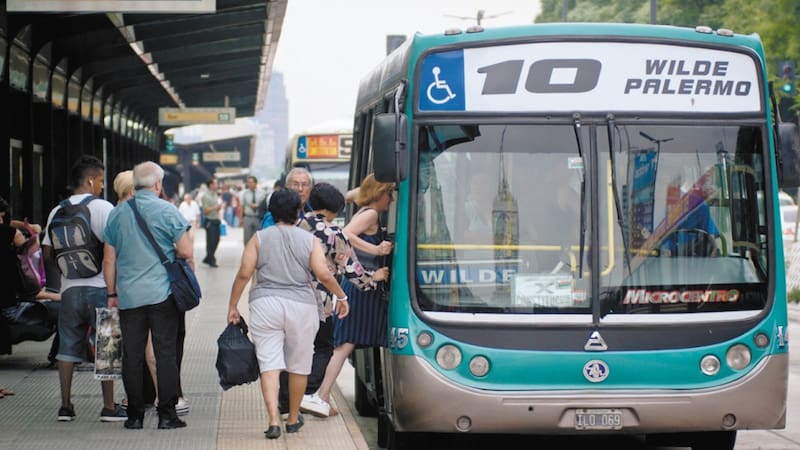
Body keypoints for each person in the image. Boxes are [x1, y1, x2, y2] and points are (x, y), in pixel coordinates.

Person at [226, 189, 350, 439]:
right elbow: (324, 274)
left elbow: (244, 273)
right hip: (302, 306)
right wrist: (341, 296)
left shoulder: (259, 238)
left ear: (271, 212)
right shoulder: (309, 240)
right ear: (298, 212)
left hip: (265, 304)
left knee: (270, 363)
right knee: (298, 365)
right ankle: (292, 419)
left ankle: (273, 420)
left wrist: (233, 305)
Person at [103, 161, 192, 430]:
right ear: (157, 184)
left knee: (132, 355)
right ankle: (167, 416)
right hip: (162, 293)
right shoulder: (167, 210)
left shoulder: (117, 214)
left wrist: (112, 293)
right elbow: (186, 251)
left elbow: (109, 260)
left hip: (129, 296)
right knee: (165, 354)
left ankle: (134, 416)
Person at [40, 155, 126, 423]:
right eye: (100, 180)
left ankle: (65, 406)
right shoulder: (103, 207)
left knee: (67, 346)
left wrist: (63, 279)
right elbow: (116, 250)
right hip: (101, 288)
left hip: (69, 291)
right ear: (90, 179)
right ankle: (109, 407)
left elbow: (46, 252)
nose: (101, 186)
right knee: (107, 346)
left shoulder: (57, 210)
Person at [297, 183, 389, 418]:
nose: (391, 198)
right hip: (353, 289)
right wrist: (376, 256)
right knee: (342, 343)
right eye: (389, 193)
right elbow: (346, 240)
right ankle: (319, 395)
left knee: (333, 343)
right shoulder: (368, 214)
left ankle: (313, 397)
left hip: (300, 293)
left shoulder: (302, 222)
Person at [200, 178, 222, 268]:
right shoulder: (205, 196)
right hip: (210, 221)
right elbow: (205, 211)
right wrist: (215, 207)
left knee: (216, 240)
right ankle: (211, 260)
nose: (217, 185)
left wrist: (218, 208)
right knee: (211, 241)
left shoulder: (215, 195)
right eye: (215, 184)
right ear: (211, 185)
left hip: (216, 220)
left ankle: (208, 257)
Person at [239, 175, 266, 245]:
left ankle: (257, 254)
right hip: (248, 217)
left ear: (256, 183)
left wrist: (257, 205)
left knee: (258, 237)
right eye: (248, 182)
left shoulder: (262, 193)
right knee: (247, 238)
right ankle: (247, 253)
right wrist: (241, 219)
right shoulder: (244, 193)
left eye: (251, 182)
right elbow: (242, 206)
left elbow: (264, 206)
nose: (249, 184)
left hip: (258, 218)